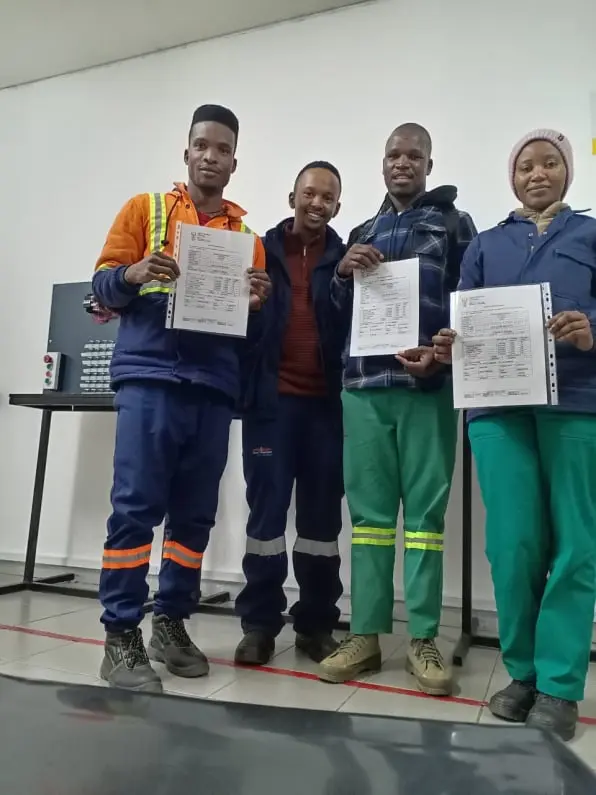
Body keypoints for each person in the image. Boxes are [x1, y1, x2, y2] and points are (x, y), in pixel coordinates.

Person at [92, 104, 269, 693]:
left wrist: (256, 306)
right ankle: (120, 636)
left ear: (234, 162)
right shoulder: (144, 210)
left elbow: (251, 334)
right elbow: (101, 286)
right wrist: (135, 272)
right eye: (202, 146)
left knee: (194, 515)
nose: (211, 157)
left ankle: (170, 622)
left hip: (212, 388)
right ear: (186, 151)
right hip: (150, 379)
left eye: (223, 149)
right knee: (135, 508)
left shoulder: (247, 240)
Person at [433, 129, 596, 740]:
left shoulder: (590, 235)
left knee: (575, 545)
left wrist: (591, 328)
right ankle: (522, 672)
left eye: (550, 163)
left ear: (567, 171)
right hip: (497, 409)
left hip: (575, 404)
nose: (537, 174)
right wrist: (451, 340)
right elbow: (465, 311)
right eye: (526, 165)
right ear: (513, 177)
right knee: (512, 543)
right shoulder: (486, 243)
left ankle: (558, 686)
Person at [318, 123, 477, 696]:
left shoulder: (455, 225)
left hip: (426, 390)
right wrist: (341, 271)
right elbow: (335, 312)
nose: (403, 163)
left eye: (414, 155)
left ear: (429, 165)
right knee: (369, 521)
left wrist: (443, 354)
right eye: (394, 155)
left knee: (425, 524)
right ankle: (364, 635)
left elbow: (471, 303)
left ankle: (423, 638)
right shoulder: (360, 231)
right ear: (382, 163)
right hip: (363, 388)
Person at [234, 162, 347, 665]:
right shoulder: (258, 252)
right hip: (270, 405)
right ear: (292, 197)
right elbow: (238, 328)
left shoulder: (347, 258)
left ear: (337, 207)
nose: (317, 203)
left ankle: (316, 626)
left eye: (327, 197)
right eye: (309, 193)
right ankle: (259, 624)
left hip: (327, 409)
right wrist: (251, 307)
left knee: (322, 522)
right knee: (266, 517)